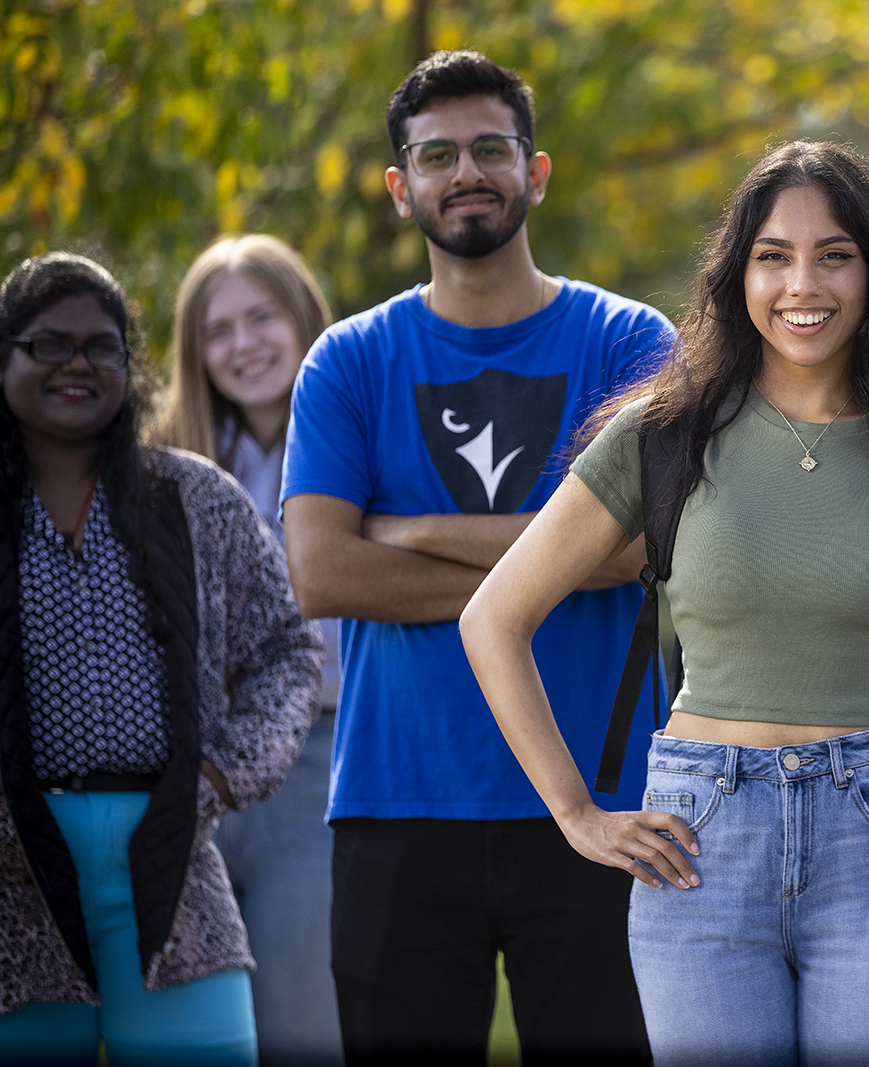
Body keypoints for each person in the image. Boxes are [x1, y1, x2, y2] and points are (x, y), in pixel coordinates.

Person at [459, 139, 869, 1067]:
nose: (800, 283)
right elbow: (493, 617)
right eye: (773, 255)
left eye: (833, 255)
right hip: (699, 838)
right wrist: (576, 812)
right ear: (739, 274)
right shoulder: (660, 436)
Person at [280, 51, 672, 1065]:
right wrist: (558, 555)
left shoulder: (629, 341)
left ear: (535, 172)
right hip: (398, 800)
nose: (468, 172)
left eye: (491, 147)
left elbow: (634, 550)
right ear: (399, 185)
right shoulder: (349, 360)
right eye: (438, 153)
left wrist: (405, 531)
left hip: (607, 805)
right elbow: (322, 573)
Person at [0, 252, 323, 1065]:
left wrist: (220, 775)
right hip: (14, 883)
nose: (77, 364)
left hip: (175, 861)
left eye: (102, 347)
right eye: (48, 345)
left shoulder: (195, 497)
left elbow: (288, 647)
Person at [150, 233, 343, 1065]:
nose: (243, 344)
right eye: (217, 329)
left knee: (305, 1027)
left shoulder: (357, 437)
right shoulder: (159, 467)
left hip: (315, 771)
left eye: (261, 316)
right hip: (185, 781)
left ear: (303, 317)